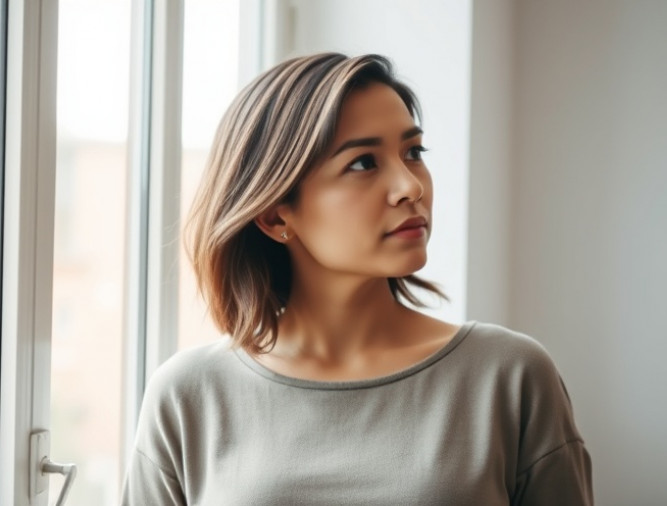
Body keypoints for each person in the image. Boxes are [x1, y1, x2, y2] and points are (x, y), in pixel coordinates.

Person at [121, 53, 593, 505]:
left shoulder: (509, 376)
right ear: (272, 215)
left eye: (413, 152)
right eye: (364, 163)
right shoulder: (188, 395)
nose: (412, 186)